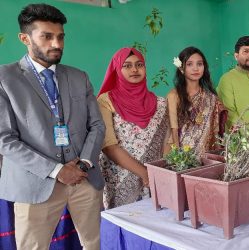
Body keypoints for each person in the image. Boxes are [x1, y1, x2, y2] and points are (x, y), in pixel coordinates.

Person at [0, 4, 105, 250]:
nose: (56, 44)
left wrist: (84, 163)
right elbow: (5, 139)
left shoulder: (79, 77)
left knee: (95, 244)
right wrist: (57, 170)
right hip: (34, 184)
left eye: (60, 36)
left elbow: (97, 125)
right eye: (46, 36)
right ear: (25, 38)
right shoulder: (6, 79)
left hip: (84, 179)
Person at [97, 48, 170, 209]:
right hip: (119, 179)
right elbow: (108, 145)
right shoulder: (105, 101)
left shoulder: (161, 103)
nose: (135, 69)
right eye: (127, 65)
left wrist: (160, 173)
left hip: (154, 181)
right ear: (117, 69)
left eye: (139, 65)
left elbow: (167, 142)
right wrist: (144, 173)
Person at [167, 47, 223, 155]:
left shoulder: (211, 98)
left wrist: (218, 159)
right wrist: (180, 160)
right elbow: (173, 131)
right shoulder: (174, 96)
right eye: (189, 64)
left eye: (199, 64)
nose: (195, 68)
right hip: (182, 158)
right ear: (181, 68)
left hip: (206, 157)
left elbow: (215, 133)